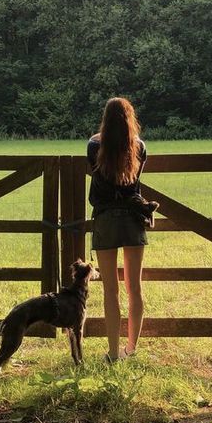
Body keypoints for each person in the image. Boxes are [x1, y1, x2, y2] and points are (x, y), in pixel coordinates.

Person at [88, 96, 149, 362]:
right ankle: (131, 349)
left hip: (105, 218)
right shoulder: (140, 147)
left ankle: (113, 353)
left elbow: (96, 169)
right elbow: (134, 181)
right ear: (130, 119)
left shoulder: (94, 146)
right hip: (133, 217)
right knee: (134, 288)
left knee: (110, 289)